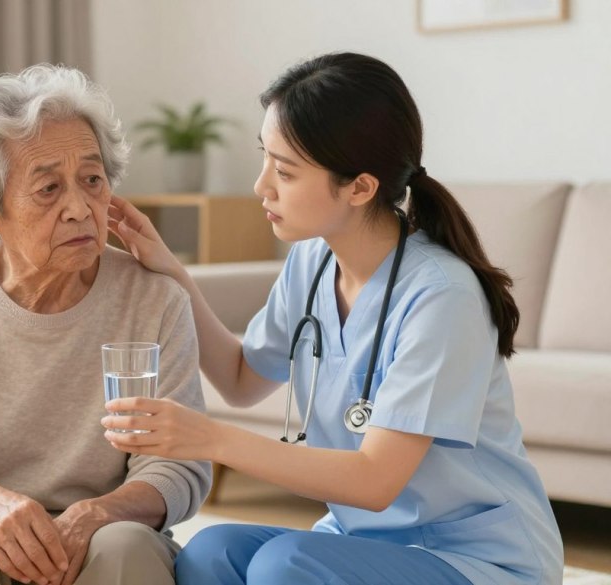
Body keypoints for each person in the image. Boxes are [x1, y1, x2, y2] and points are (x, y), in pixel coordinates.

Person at [103, 52, 563, 584]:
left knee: (284, 568)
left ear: (360, 187)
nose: (261, 187)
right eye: (265, 160)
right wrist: (171, 272)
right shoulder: (313, 260)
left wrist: (208, 438)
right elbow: (241, 378)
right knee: (211, 551)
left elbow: (374, 482)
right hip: (364, 541)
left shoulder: (443, 297)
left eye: (284, 171)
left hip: (475, 559)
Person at [0, 63, 211, 585]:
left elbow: (179, 467)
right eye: (48, 189)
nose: (79, 207)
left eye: (92, 181)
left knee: (127, 545)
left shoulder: (155, 299)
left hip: (100, 537)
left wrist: (97, 514)